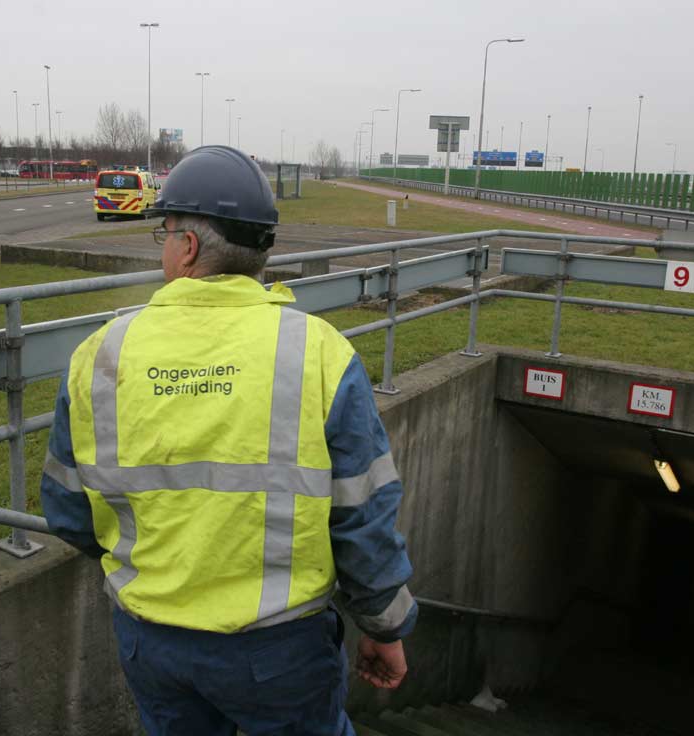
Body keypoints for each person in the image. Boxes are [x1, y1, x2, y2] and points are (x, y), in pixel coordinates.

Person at [40, 145, 417, 735]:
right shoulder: (318, 354)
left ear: (187, 247)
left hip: (152, 642)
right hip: (280, 650)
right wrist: (385, 627)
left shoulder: (101, 355)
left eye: (164, 233)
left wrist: (165, 571)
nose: (163, 246)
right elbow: (363, 516)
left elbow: (67, 513)